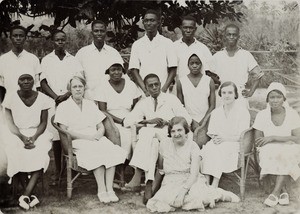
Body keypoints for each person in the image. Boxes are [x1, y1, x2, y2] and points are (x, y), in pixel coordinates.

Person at [54, 76, 127, 203]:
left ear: (84, 88)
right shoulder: (63, 106)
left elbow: (100, 125)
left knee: (111, 150)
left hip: (94, 137)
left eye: (80, 86)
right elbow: (65, 130)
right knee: (95, 151)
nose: (78, 89)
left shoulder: (90, 104)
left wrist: (99, 134)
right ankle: (101, 189)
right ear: (70, 89)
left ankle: (110, 189)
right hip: (76, 140)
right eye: (75, 87)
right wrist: (87, 137)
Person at [146, 116, 240, 212]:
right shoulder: (164, 144)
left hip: (191, 180)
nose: (176, 134)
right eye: (173, 131)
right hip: (171, 181)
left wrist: (182, 193)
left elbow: (194, 174)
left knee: (197, 198)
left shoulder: (193, 146)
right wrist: (153, 190)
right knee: (159, 203)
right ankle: (206, 195)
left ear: (186, 131)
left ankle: (218, 194)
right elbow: (160, 170)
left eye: (179, 130)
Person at [123, 73, 192, 203]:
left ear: (160, 84)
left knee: (145, 133)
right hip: (153, 140)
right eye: (151, 85)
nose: (155, 87)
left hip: (169, 135)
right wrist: (148, 121)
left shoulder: (171, 99)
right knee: (152, 140)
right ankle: (149, 181)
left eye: (157, 84)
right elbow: (127, 121)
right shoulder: (144, 103)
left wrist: (169, 122)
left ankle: (137, 175)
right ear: (146, 88)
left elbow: (186, 118)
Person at [2, 74, 54, 210]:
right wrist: (22, 137)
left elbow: (43, 123)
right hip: (16, 133)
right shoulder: (10, 98)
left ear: (34, 81)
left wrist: (35, 137)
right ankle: (30, 195)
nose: (26, 81)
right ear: (17, 82)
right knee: (14, 150)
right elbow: (10, 123)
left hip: (38, 132)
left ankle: (25, 194)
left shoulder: (42, 98)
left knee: (41, 152)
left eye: (29, 79)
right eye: (22, 79)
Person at [41, 30, 84, 185]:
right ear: (53, 41)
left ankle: (69, 169)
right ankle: (58, 171)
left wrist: (67, 94)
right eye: (57, 40)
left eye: (63, 40)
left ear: (66, 41)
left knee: (68, 133)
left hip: (69, 100)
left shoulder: (73, 60)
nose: (60, 42)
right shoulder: (46, 60)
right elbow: (43, 82)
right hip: (52, 101)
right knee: (57, 138)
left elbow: (78, 78)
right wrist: (55, 97)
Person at [253, 82, 300, 207]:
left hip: (290, 147)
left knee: (286, 153)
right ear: (267, 99)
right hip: (269, 148)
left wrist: (273, 137)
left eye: (278, 97)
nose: (275, 100)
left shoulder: (292, 114)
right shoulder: (262, 115)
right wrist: (281, 140)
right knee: (273, 152)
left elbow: (298, 138)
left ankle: (275, 192)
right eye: (271, 97)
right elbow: (258, 140)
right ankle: (283, 191)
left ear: (284, 99)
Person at [200, 81, 250, 188]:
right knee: (208, 148)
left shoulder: (242, 112)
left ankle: (215, 183)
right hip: (218, 142)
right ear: (220, 94)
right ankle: (206, 180)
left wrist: (224, 139)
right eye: (224, 93)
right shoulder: (216, 112)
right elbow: (212, 131)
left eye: (230, 93)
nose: (227, 96)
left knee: (220, 148)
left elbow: (242, 135)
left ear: (235, 94)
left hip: (235, 143)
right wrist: (215, 139)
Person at [96, 57, 141, 160]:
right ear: (108, 72)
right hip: (110, 120)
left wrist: (129, 120)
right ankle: (119, 167)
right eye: (113, 70)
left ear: (123, 71)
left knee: (137, 135)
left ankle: (128, 166)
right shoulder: (102, 86)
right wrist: (121, 121)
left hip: (129, 118)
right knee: (123, 135)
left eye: (119, 69)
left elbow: (136, 106)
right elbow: (102, 110)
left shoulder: (131, 85)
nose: (116, 72)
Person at [211, 24, 264, 107]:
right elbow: (208, 77)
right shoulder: (217, 56)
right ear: (224, 36)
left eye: (234, 35)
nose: (231, 37)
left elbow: (258, 74)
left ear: (238, 37)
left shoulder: (245, 55)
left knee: (240, 119)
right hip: (222, 94)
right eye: (229, 34)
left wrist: (251, 92)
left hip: (239, 95)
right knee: (222, 118)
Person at [128, 9, 177, 96]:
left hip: (162, 91)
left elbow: (173, 69)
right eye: (146, 21)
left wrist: (164, 89)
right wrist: (145, 90)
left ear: (158, 23)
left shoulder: (167, 43)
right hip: (143, 92)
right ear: (143, 23)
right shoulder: (137, 44)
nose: (149, 23)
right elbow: (134, 69)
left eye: (152, 20)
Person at [75, 20, 123, 99]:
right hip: (89, 97)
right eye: (96, 31)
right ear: (92, 33)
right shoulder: (82, 53)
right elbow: (77, 77)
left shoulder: (113, 53)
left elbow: (122, 76)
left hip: (110, 97)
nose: (99, 33)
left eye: (102, 31)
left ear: (106, 32)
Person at [0, 25, 41, 101]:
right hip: (8, 102)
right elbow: (1, 85)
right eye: (15, 36)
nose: (18, 38)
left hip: (29, 103)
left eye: (21, 36)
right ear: (10, 38)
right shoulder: (2, 59)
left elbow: (37, 85)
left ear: (25, 38)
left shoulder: (33, 59)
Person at [177, 52, 215, 133]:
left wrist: (203, 122)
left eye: (197, 63)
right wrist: (191, 121)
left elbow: (212, 105)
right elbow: (180, 106)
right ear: (188, 65)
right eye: (192, 63)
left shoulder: (209, 80)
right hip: (187, 120)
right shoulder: (181, 81)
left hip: (206, 120)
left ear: (201, 64)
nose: (194, 66)